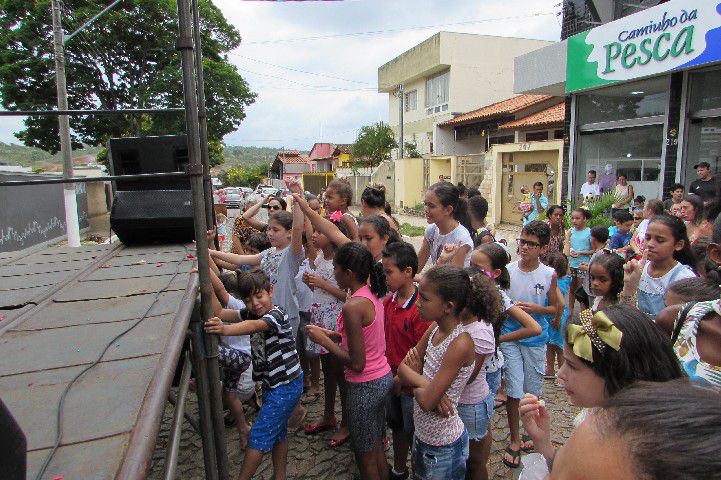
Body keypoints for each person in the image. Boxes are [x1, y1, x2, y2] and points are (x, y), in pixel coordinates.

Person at [518, 305, 684, 477]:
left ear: (614, 372)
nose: (560, 373)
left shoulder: (617, 450)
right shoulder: (604, 416)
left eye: (572, 366)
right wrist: (543, 442)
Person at [204, 270, 303, 480]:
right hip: (273, 385)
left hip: (287, 386)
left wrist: (224, 331)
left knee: (256, 436)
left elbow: (255, 326)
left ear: (270, 291)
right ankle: (280, 476)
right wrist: (205, 279)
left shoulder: (277, 315)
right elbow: (221, 312)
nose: (255, 303)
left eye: (259, 296)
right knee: (278, 433)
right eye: (248, 300)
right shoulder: (253, 313)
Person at [307, 242, 392, 480]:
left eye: (335, 268)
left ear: (349, 273)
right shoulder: (369, 293)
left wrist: (324, 342)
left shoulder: (353, 306)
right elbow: (365, 337)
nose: (332, 273)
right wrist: (332, 334)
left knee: (364, 454)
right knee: (375, 444)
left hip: (365, 385)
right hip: (381, 378)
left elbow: (356, 363)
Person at [397, 265, 477, 480]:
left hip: (443, 446)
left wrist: (422, 385)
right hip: (423, 435)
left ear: (448, 307)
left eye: (424, 298)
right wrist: (427, 384)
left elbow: (427, 402)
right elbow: (402, 368)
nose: (418, 304)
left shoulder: (460, 343)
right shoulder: (434, 328)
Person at [502, 220, 559, 468]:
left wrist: (539, 309)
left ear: (543, 248)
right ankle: (514, 439)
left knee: (532, 392)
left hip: (535, 340)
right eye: (523, 241)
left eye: (532, 244)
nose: (525, 248)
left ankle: (532, 431)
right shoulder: (508, 270)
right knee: (514, 391)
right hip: (510, 338)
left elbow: (556, 307)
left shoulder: (548, 275)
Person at [382, 242, 430, 480]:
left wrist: (402, 377)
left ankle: (419, 473)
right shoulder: (389, 302)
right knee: (397, 427)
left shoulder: (420, 310)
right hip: (393, 381)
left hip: (410, 387)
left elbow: (422, 353)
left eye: (389, 272)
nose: (385, 277)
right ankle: (399, 469)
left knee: (414, 435)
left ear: (408, 272)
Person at [302, 219, 351, 447]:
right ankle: (329, 414)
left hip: (334, 322)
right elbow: (319, 290)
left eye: (320, 231)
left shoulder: (341, 263)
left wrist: (321, 283)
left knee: (340, 373)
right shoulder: (320, 257)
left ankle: (347, 422)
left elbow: (345, 296)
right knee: (326, 370)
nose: (314, 235)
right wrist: (311, 283)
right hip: (320, 316)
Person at [457, 273, 504, 480]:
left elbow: (466, 377)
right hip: (459, 401)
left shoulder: (480, 332)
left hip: (471, 405)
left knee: (474, 461)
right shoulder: (462, 324)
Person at [205, 268, 254, 447]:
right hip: (235, 362)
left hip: (241, 357)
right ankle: (243, 431)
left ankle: (195, 377)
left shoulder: (236, 306)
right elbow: (219, 287)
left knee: (205, 346)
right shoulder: (222, 310)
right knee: (229, 394)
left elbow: (220, 289)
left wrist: (204, 279)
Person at [622, 214, 697, 320]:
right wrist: (629, 287)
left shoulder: (684, 278)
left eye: (660, 240)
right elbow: (626, 313)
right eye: (648, 238)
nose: (650, 244)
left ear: (678, 245)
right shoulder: (639, 269)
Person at [418, 182, 474, 270]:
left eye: (431, 206)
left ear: (448, 210)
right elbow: (417, 267)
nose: (426, 209)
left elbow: (454, 280)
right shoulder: (431, 231)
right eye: (425, 204)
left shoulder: (460, 239)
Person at [542, 252, 569, 384]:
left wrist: (557, 319)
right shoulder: (565, 279)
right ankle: (550, 370)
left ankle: (562, 376)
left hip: (556, 318)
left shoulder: (556, 283)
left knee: (559, 347)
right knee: (550, 344)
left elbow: (562, 303)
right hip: (552, 317)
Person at [564, 208, 593, 319]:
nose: (574, 221)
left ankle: (583, 315)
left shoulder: (589, 232)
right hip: (572, 265)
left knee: (581, 291)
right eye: (572, 218)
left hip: (583, 265)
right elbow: (567, 246)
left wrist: (580, 252)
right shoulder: (570, 231)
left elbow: (593, 250)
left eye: (577, 218)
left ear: (584, 219)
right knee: (571, 289)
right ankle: (570, 313)